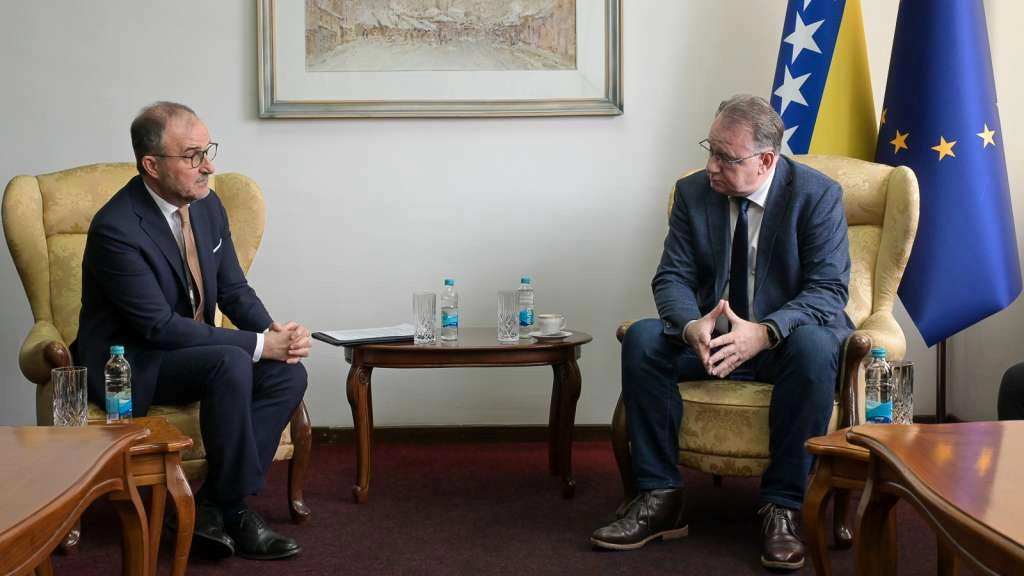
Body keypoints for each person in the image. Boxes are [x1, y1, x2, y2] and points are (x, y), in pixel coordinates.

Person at [590, 95, 853, 571]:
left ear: (765, 161)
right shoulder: (693, 193)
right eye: (709, 150)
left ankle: (782, 507)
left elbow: (828, 290)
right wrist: (691, 325)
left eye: (725, 157)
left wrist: (766, 332)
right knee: (644, 338)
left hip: (782, 345)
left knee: (816, 345)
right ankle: (660, 497)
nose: (711, 166)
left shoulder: (816, 196)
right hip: (710, 342)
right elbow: (671, 277)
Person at [73, 101, 311, 561]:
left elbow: (234, 289)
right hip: (133, 363)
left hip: (193, 352)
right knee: (231, 360)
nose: (208, 166)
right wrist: (260, 345)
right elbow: (158, 327)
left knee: (288, 372)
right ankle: (233, 510)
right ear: (152, 165)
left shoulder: (206, 205)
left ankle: (213, 504)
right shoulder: (116, 228)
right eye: (192, 156)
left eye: (208, 150)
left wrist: (274, 332)